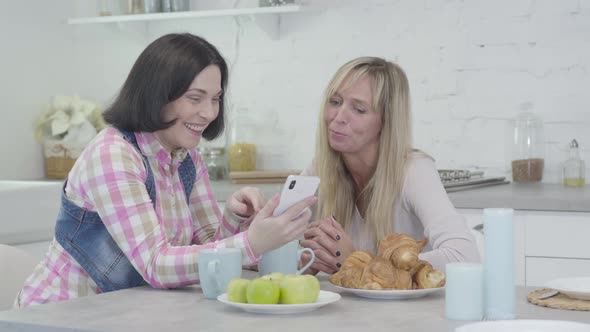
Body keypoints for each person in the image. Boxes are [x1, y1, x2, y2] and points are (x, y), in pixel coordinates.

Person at [16, 33, 315, 307]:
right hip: (59, 316)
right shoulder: (113, 155)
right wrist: (252, 242)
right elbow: (156, 264)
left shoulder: (186, 157)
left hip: (125, 314)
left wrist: (235, 218)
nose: (210, 113)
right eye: (195, 98)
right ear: (157, 95)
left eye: (215, 99)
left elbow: (211, 254)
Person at [300, 56, 479, 275]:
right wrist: (299, 259)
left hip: (412, 309)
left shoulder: (413, 170)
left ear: (386, 122)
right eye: (335, 102)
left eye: (359, 109)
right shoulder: (320, 168)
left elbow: (464, 257)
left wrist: (360, 264)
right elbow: (267, 249)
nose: (339, 117)